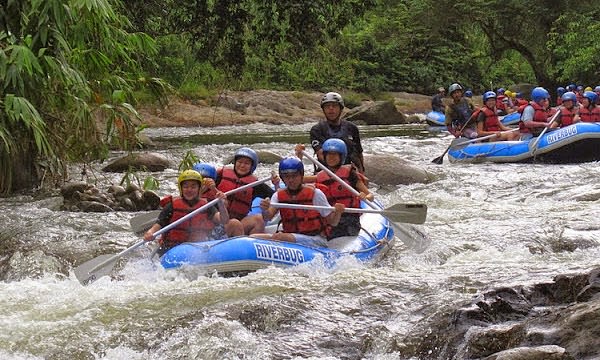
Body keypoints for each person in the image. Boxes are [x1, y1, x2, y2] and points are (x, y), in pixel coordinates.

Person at [254, 157, 344, 247]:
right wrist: (264, 209)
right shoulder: (278, 195)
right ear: (282, 177)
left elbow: (333, 222)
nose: (291, 180)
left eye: (294, 176)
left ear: (301, 176)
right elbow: (267, 218)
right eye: (287, 176)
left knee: (281, 237)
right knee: (254, 237)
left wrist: (337, 212)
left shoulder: (315, 194)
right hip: (290, 237)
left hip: (315, 239)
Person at [295, 139, 373, 239]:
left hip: (348, 219)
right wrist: (299, 157)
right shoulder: (321, 175)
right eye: (329, 155)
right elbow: (297, 179)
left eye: (334, 155)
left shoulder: (350, 174)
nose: (331, 158)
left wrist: (365, 197)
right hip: (330, 218)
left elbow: (370, 196)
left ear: (341, 156)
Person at [144, 170, 230, 256]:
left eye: (193, 187)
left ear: (199, 189)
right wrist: (150, 233)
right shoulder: (171, 206)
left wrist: (221, 204)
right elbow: (158, 225)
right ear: (181, 188)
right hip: (172, 249)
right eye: (185, 187)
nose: (189, 190)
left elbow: (224, 220)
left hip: (198, 249)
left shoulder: (206, 206)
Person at [214, 147, 279, 235]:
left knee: (258, 220)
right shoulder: (220, 175)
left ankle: (251, 244)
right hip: (218, 220)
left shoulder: (255, 184)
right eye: (240, 162)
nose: (242, 165)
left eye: (247, 163)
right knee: (234, 223)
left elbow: (277, 196)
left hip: (239, 222)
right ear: (235, 162)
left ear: (252, 166)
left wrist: (276, 185)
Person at [309, 92, 365, 173]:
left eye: (334, 106)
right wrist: (338, 172)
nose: (331, 109)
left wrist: (361, 171)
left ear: (340, 108)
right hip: (326, 172)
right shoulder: (317, 130)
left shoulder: (352, 128)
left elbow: (359, 153)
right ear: (324, 109)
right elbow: (320, 154)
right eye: (327, 106)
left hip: (349, 171)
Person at [193, 162, 244, 237]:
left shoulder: (215, 194)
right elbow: (193, 203)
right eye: (199, 179)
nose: (203, 182)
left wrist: (213, 189)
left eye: (205, 178)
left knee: (235, 224)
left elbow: (224, 215)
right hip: (193, 232)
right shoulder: (187, 192)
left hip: (213, 229)